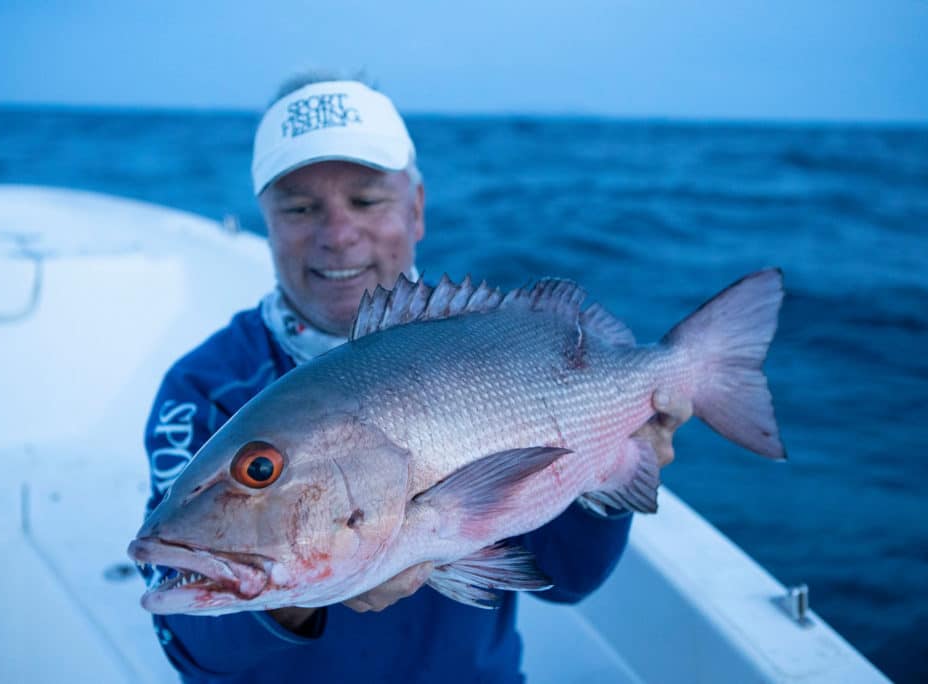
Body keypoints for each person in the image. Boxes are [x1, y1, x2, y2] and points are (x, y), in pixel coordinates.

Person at [141, 72, 692, 683]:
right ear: (266, 221)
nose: (338, 234)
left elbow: (569, 582)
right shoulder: (204, 388)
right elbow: (191, 646)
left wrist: (612, 468)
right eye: (300, 207)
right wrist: (307, 587)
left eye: (367, 200)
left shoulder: (499, 346)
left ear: (418, 209)